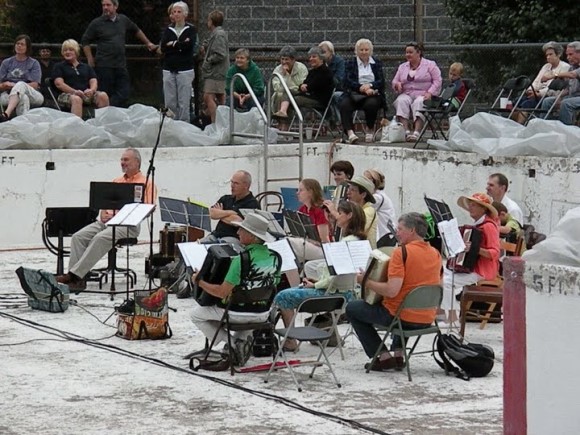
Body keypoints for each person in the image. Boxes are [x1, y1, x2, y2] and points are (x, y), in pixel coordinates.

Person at [346, 212, 442, 371]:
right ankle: (398, 354)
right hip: (427, 317)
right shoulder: (436, 253)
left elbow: (391, 291)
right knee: (403, 300)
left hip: (401, 318)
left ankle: (382, 356)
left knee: (352, 308)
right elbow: (435, 285)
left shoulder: (401, 252)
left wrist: (366, 281)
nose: (396, 232)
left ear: (412, 231)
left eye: (400, 228)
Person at [56, 148, 156, 290]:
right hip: (107, 222)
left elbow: (148, 208)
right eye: (121, 160)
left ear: (137, 162)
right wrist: (102, 213)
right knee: (78, 237)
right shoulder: (117, 181)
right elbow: (105, 203)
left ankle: (74, 276)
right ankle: (77, 281)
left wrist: (125, 215)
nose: (122, 163)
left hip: (127, 225)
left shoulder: (146, 183)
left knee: (100, 238)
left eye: (126, 160)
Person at [275, 201, 367, 352]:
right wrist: (318, 281)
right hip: (348, 292)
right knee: (311, 268)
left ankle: (290, 341)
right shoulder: (359, 240)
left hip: (335, 295)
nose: (336, 217)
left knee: (283, 297)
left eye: (341, 213)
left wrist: (315, 285)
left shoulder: (345, 243)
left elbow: (336, 276)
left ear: (349, 216)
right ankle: (322, 332)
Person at [190, 212, 281, 354]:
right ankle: (241, 344)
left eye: (242, 230)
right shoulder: (275, 257)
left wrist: (199, 281)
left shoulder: (242, 259)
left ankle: (233, 344)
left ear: (252, 236)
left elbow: (221, 292)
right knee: (230, 313)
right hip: (263, 313)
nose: (237, 232)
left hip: (238, 312)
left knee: (197, 314)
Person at [81, 0, 158, 108]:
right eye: (103, 5)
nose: (105, 7)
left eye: (108, 5)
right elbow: (85, 40)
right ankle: (104, 115)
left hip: (120, 64)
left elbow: (136, 30)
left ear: (116, 6)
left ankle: (111, 108)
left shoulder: (123, 19)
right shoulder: (97, 23)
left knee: (124, 92)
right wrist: (90, 58)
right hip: (104, 64)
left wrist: (148, 43)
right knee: (104, 93)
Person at [442, 193, 500, 325]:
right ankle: (444, 311)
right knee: (441, 273)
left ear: (483, 209)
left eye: (474, 205)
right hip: (474, 267)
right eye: (470, 205)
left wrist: (474, 249)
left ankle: (451, 317)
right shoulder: (478, 225)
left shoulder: (488, 226)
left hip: (482, 271)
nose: (470, 208)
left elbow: (495, 253)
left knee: (446, 282)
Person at [392, 42, 442, 142]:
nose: (408, 55)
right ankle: (406, 132)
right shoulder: (402, 67)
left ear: (418, 53)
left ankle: (417, 132)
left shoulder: (430, 65)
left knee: (419, 102)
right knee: (401, 101)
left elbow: (438, 80)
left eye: (410, 52)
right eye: (406, 52)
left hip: (424, 94)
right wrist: (397, 85)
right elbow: (395, 81)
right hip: (407, 93)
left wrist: (430, 93)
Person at [274, 46, 334, 127]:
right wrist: (303, 86)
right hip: (308, 95)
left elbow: (316, 85)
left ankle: (284, 127)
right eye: (310, 57)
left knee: (293, 100)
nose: (311, 59)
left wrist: (306, 87)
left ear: (321, 58)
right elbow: (303, 84)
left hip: (318, 100)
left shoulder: (326, 71)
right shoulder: (313, 71)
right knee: (287, 91)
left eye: (314, 56)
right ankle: (283, 111)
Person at [340, 38, 386, 144]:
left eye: (366, 50)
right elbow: (347, 80)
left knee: (372, 104)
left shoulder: (376, 63)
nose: (364, 52)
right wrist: (360, 87)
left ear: (370, 51)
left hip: (372, 93)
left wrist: (370, 86)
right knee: (344, 104)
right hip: (354, 92)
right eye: (361, 50)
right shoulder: (350, 63)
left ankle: (370, 129)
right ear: (356, 51)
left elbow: (381, 81)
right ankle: (350, 133)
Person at [160, 1, 197, 122]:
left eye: (179, 12)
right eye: (174, 12)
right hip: (169, 68)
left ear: (185, 14)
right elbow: (164, 47)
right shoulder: (168, 30)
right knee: (170, 101)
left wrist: (174, 44)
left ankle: (184, 126)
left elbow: (189, 46)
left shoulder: (191, 29)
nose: (176, 14)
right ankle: (169, 124)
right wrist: (180, 45)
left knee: (184, 101)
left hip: (185, 69)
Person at [52, 39, 110, 118]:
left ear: (76, 51)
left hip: (86, 94)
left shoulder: (86, 67)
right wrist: (74, 91)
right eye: (65, 50)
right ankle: (77, 126)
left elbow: (93, 80)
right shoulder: (59, 66)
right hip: (67, 94)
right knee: (76, 99)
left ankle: (103, 123)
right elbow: (59, 84)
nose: (67, 52)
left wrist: (92, 90)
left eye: (71, 50)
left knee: (103, 95)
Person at [199, 170, 259, 245]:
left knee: (217, 249)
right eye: (232, 182)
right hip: (216, 235)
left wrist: (220, 213)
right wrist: (230, 212)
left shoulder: (252, 204)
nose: (232, 186)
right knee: (196, 246)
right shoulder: (226, 198)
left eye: (236, 183)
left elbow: (237, 222)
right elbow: (211, 213)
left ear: (246, 186)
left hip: (234, 238)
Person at [323, 175, 377, 249]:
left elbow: (356, 226)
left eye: (353, 190)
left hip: (362, 254)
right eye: (348, 188)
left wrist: (334, 212)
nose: (348, 192)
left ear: (363, 194)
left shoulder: (369, 210)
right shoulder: (352, 209)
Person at [0, 35, 43, 122]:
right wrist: (4, 85)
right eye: (17, 44)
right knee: (23, 98)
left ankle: (6, 113)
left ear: (27, 47)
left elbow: (35, 85)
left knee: (21, 84)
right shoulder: (6, 63)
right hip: (7, 95)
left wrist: (14, 85)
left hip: (33, 94)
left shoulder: (34, 63)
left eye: (22, 44)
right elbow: (1, 85)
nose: (19, 46)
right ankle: (23, 125)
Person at [287, 178, 330, 264]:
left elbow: (324, 239)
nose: (297, 193)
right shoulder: (303, 209)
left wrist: (309, 240)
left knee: (291, 243)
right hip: (308, 243)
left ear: (310, 192)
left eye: (301, 190)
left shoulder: (320, 210)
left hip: (323, 249)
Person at [518, 42, 569, 110]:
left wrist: (539, 93)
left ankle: (522, 121)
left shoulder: (565, 67)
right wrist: (531, 90)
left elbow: (556, 87)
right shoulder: (546, 66)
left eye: (550, 54)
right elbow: (537, 81)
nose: (548, 57)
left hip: (551, 95)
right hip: (537, 94)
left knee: (526, 104)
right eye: (547, 55)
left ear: (558, 54)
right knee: (517, 101)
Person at [540, 41, 580, 125]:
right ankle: (544, 127)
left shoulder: (574, 70)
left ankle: (567, 130)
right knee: (548, 101)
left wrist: (553, 75)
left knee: (566, 103)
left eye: (570, 54)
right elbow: (568, 88)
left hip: (576, 98)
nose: (568, 57)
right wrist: (559, 97)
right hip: (573, 96)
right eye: (567, 55)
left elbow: (573, 75)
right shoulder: (572, 67)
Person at [200, 10, 229, 123]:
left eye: (208, 20)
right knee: (219, 97)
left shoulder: (219, 35)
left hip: (216, 72)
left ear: (212, 21)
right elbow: (212, 44)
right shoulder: (216, 34)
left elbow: (220, 53)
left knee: (208, 96)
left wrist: (208, 61)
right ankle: (221, 122)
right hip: (217, 72)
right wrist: (205, 46)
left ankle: (215, 121)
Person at [363, 169, 397, 247]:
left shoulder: (377, 197)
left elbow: (362, 209)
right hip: (387, 235)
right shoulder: (381, 195)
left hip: (384, 236)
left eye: (367, 178)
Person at [271, 45, 308, 117]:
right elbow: (277, 88)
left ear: (293, 60)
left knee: (287, 96)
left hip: (298, 94)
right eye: (282, 59)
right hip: (281, 94)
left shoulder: (301, 68)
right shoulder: (277, 70)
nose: (284, 62)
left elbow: (300, 85)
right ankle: (281, 121)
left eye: (286, 59)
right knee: (280, 95)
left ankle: (284, 123)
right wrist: (285, 76)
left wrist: (288, 76)